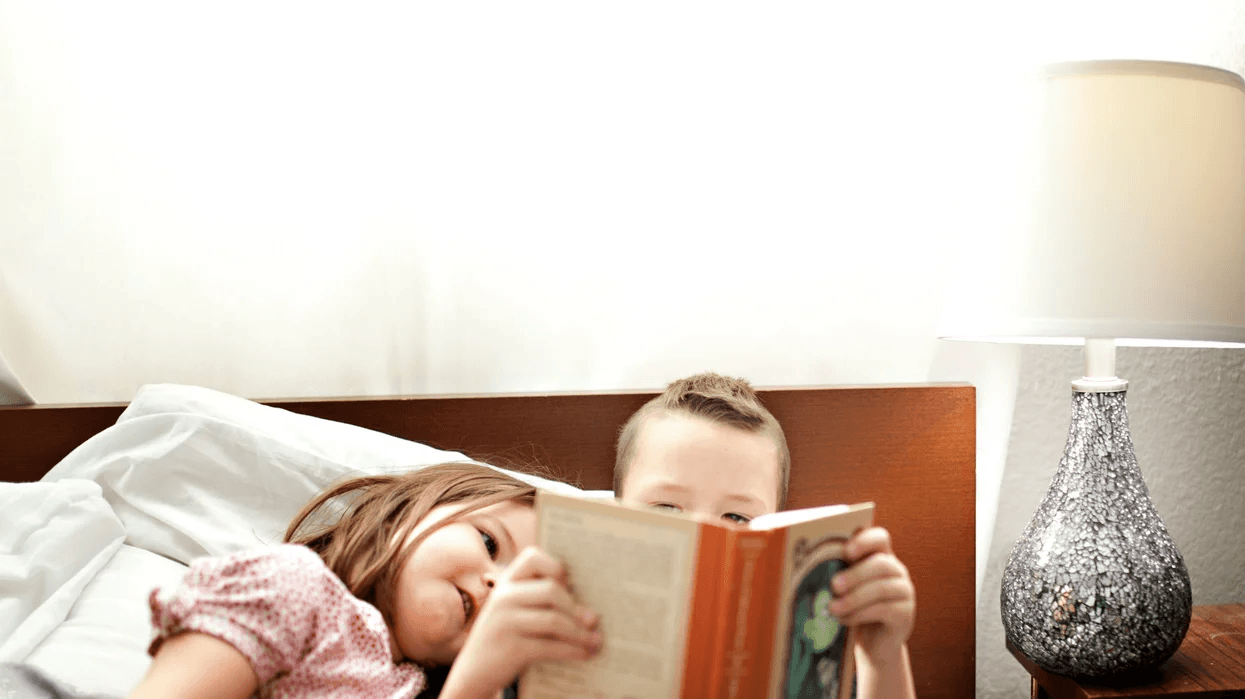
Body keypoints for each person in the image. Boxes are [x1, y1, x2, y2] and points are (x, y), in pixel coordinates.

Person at [126, 462, 602, 699]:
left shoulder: (415, 685)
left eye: (522, 589)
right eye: (490, 544)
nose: (499, 588)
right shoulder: (293, 587)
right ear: (415, 508)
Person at [614, 372, 917, 699]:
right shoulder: (573, 630)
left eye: (736, 517)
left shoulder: (802, 653)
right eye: (666, 508)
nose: (701, 541)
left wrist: (882, 660)